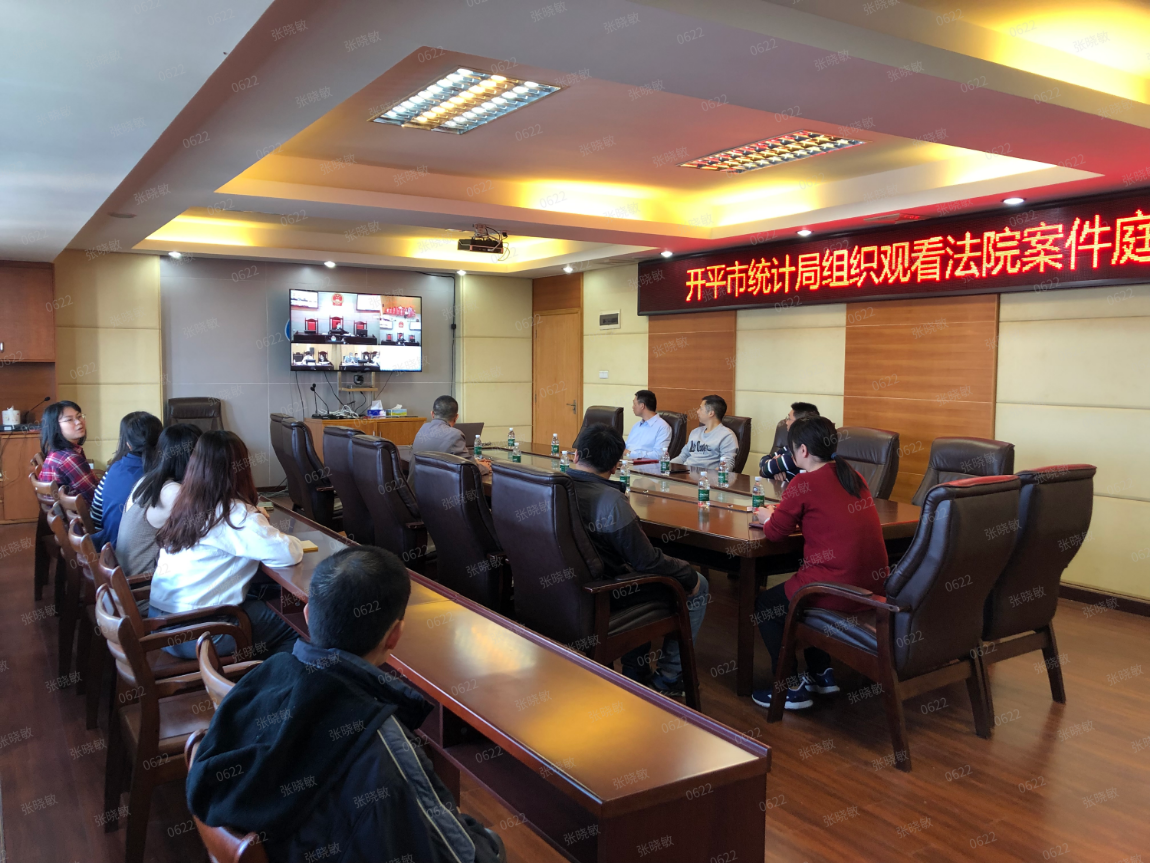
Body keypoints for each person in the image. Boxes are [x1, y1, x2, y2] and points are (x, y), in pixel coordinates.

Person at [186, 546, 506, 863]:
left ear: (308, 615)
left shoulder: (264, 674)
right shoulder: (383, 741)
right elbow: (464, 856)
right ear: (395, 635)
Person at [750, 417, 888, 711]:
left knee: (767, 606)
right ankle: (821, 673)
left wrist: (767, 516)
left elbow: (775, 533)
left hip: (836, 588)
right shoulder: (853, 476)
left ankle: (789, 687)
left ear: (802, 450)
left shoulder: (803, 482)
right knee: (799, 593)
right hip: (872, 585)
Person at [567, 423, 709, 697]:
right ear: (615, 466)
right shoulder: (611, 501)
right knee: (697, 584)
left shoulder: (554, 487)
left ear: (576, 455)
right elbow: (648, 562)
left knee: (637, 574)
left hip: (567, 592)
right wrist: (687, 574)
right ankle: (670, 678)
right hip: (605, 594)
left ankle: (637, 670)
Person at [149, 430, 303, 659]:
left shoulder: (185, 505)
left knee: (268, 601)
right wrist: (268, 527)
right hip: (201, 633)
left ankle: (251, 667)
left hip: (161, 623)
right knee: (298, 622)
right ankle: (258, 676)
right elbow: (288, 553)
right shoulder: (235, 514)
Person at [115, 423, 203, 577]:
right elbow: (206, 531)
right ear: (193, 457)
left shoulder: (147, 480)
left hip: (128, 576)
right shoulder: (173, 492)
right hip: (143, 583)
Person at [88, 411, 162, 549]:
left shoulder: (114, 468)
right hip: (135, 556)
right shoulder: (159, 476)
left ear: (128, 444)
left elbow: (97, 516)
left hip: (110, 549)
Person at [410, 395, 490, 477]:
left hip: (418, 484)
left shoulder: (423, 428)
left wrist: (474, 462)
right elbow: (470, 469)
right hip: (438, 484)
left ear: (432, 414)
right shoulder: (455, 435)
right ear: (456, 417)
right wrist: (485, 467)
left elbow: (463, 460)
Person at [37, 401, 98, 502]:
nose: (79, 422)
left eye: (79, 416)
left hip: (65, 511)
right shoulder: (70, 458)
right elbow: (96, 497)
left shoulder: (57, 452)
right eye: (69, 419)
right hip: (82, 512)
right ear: (55, 426)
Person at [670, 394, 738, 470]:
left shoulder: (727, 435)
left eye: (701, 408)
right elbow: (683, 457)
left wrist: (715, 473)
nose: (697, 411)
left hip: (706, 476)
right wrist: (666, 466)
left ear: (711, 413)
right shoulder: (695, 432)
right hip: (685, 473)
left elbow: (727, 463)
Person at [759, 402, 819, 482]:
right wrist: (774, 466)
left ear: (800, 423)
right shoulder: (789, 447)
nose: (786, 422)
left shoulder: (801, 452)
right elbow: (763, 460)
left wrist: (773, 467)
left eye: (789, 418)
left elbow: (765, 470)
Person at [623, 389, 671, 459]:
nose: (633, 407)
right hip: (628, 463)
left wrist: (629, 453)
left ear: (642, 406)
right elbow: (627, 445)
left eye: (634, 404)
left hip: (647, 465)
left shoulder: (663, 427)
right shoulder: (636, 426)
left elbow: (659, 455)